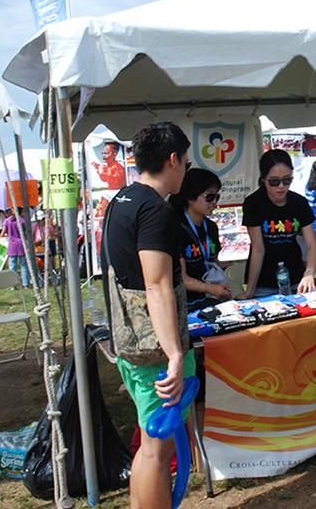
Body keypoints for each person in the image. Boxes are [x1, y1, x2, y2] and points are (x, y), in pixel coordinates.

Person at [101, 121, 194, 509]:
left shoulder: (121, 199)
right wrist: (174, 355)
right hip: (153, 349)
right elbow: (156, 285)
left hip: (129, 342)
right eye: (186, 163)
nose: (186, 170)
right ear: (173, 160)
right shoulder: (155, 210)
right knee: (157, 451)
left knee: (149, 443)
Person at [236, 149, 316, 299]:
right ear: (262, 178)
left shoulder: (299, 203)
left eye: (287, 180)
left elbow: (312, 245)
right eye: (274, 181)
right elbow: (258, 249)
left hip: (296, 280)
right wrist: (250, 292)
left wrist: (309, 272)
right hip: (264, 282)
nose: (281, 186)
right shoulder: (253, 203)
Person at [169, 168, 231, 311]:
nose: (214, 202)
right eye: (209, 197)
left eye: (217, 196)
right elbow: (180, 278)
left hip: (210, 301)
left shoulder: (211, 227)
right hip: (185, 305)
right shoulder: (175, 227)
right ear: (190, 198)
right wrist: (211, 288)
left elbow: (213, 261)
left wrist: (219, 284)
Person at [2, 207, 30, 287]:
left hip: (12, 245)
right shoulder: (23, 221)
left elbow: (2, 234)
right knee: (24, 265)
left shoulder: (7, 221)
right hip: (21, 244)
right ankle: (26, 284)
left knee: (12, 266)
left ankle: (13, 285)